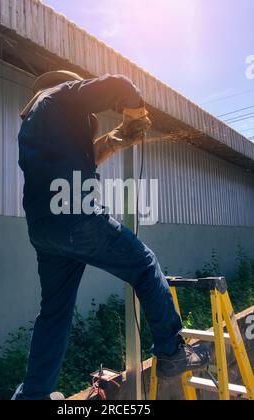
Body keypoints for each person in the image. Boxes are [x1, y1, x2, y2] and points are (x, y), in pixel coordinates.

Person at [12, 71, 209, 400]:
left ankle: (33, 394)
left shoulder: (35, 123)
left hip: (45, 230)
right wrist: (135, 112)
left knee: (54, 312)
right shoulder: (63, 95)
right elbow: (122, 85)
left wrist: (120, 135)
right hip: (78, 219)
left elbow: (87, 159)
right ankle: (172, 351)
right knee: (145, 265)